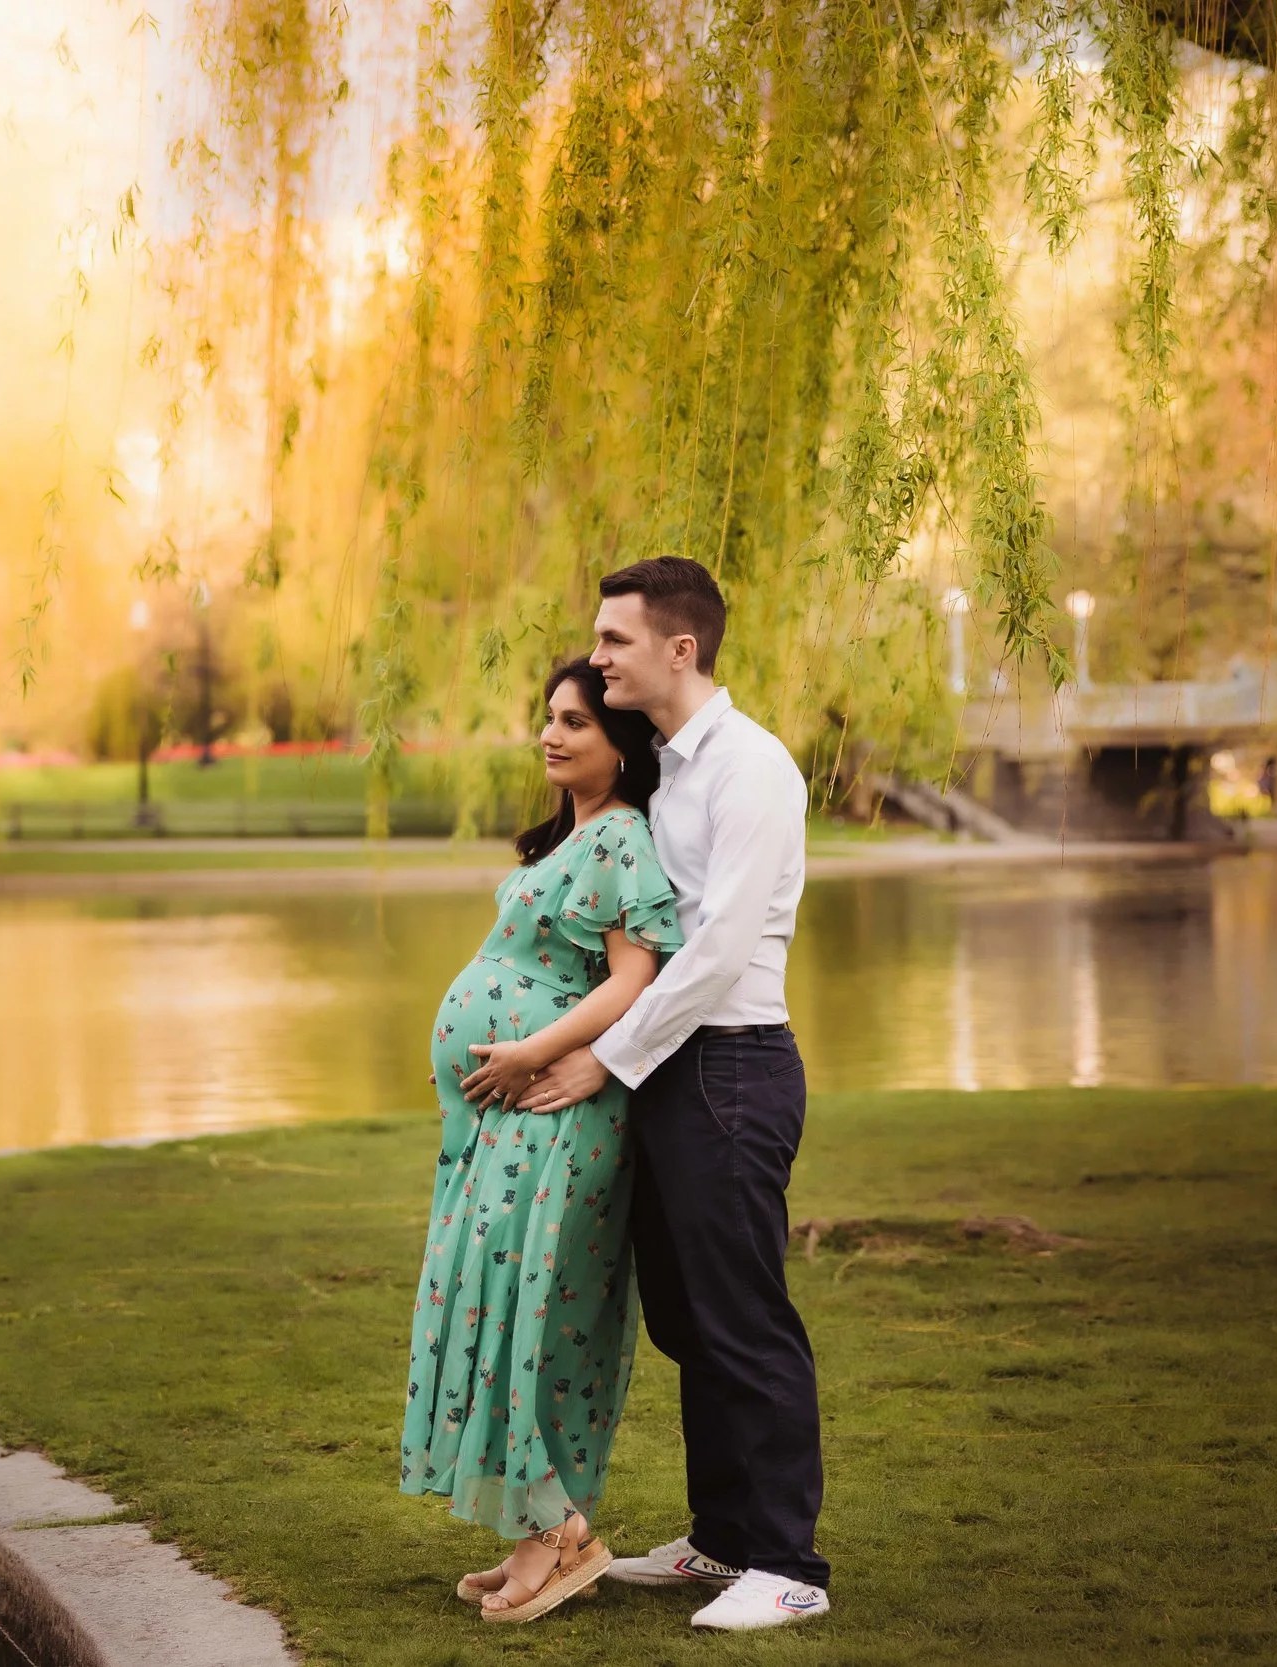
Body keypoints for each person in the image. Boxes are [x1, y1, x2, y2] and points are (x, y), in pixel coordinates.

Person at [506, 556, 830, 1631]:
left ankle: (788, 1563)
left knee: (744, 1318)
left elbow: (718, 951)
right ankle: (722, 1537)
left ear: (678, 649)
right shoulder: (672, 769)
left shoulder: (752, 768)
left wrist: (604, 1057)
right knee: (687, 1321)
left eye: (614, 641)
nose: (596, 658)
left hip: (730, 1066)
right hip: (670, 1068)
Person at [399, 657, 685, 1624]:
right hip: (517, 1117)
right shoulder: (569, 838)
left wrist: (531, 1048)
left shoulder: (620, 838)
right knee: (502, 1308)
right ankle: (538, 1527)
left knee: (539, 1319)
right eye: (549, 716)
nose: (553, 734)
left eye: (578, 721)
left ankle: (560, 1533)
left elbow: (631, 980)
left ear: (624, 744)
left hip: (561, 1113)